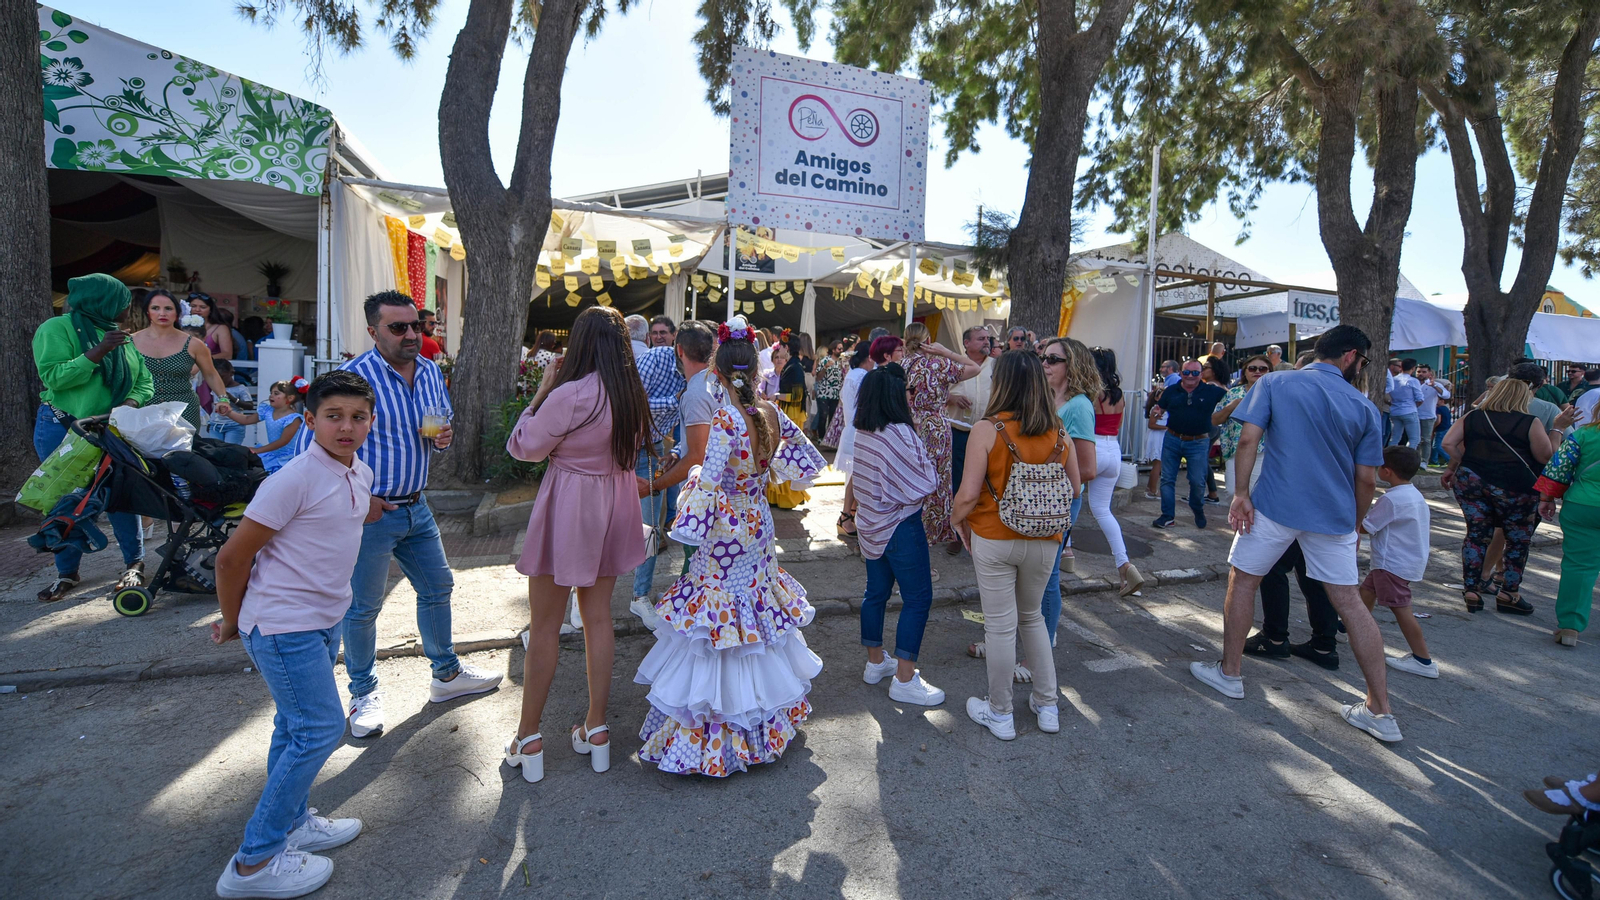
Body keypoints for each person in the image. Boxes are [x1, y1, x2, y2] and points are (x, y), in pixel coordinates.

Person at [1190, 324, 1402, 744]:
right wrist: (1356, 523)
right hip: (1334, 515)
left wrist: (1240, 494)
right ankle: (1381, 710)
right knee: (1349, 603)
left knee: (1244, 579)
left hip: (1274, 504)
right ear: (1350, 356)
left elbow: (1248, 438)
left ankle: (1230, 673)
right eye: (1363, 360)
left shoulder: (1274, 381)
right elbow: (1366, 480)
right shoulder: (1364, 406)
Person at [635, 317, 828, 776]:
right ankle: (761, 721)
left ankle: (718, 732)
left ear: (717, 372)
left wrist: (687, 500)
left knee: (717, 625)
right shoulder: (771, 412)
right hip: (759, 524)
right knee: (754, 619)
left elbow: (710, 480)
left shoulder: (725, 417)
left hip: (726, 531)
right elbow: (800, 465)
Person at [209, 371, 375, 900]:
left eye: (357, 417)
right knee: (321, 729)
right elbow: (232, 557)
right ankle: (254, 862)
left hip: (324, 620)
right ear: (309, 421)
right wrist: (233, 620)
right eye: (333, 416)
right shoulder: (292, 479)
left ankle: (294, 821)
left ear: (370, 422)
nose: (346, 426)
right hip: (284, 624)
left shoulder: (358, 472)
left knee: (293, 726)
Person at [322, 290, 502, 739]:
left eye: (416, 326)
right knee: (363, 608)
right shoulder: (354, 378)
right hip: (371, 511)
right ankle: (362, 692)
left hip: (417, 505)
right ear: (373, 331)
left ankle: (446, 675)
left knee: (438, 586)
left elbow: (436, 424)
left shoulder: (428, 371)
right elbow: (327, 446)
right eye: (397, 327)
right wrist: (359, 499)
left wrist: (441, 438)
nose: (410, 335)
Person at [503, 306, 652, 783]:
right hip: (615, 504)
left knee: (545, 625)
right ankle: (597, 726)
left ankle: (528, 735)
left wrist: (542, 391)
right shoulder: (630, 394)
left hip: (570, 504)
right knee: (599, 617)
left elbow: (524, 447)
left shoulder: (570, 394)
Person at [951, 350, 1073, 740]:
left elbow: (969, 494)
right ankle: (1047, 705)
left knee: (1001, 628)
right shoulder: (1058, 430)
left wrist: (956, 522)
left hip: (994, 535)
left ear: (1000, 383)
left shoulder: (989, 429)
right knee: (1033, 618)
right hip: (1045, 540)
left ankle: (1000, 712)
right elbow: (1076, 486)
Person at [32, 273, 154, 603]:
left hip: (109, 430)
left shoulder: (120, 337)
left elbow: (144, 382)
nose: (129, 310)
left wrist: (129, 405)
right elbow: (53, 376)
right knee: (65, 499)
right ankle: (66, 572)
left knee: (121, 496)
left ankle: (134, 563)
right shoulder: (56, 330)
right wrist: (97, 352)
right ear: (103, 302)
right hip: (64, 427)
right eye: (123, 304)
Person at [846, 364, 945, 705]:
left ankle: (876, 662)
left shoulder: (863, 430)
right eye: (907, 390)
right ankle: (904, 678)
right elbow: (927, 481)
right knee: (918, 599)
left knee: (876, 593)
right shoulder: (901, 432)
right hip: (901, 525)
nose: (910, 395)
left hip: (871, 525)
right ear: (893, 395)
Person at [1440, 376, 1555, 615]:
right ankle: (1509, 593)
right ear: (1524, 397)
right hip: (1515, 487)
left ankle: (1471, 589)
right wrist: (1558, 430)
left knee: (1476, 534)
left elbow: (1448, 444)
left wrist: (1467, 461)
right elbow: (1544, 457)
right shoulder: (1529, 422)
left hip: (1472, 482)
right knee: (1517, 539)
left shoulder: (1472, 417)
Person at [638, 322, 718, 583]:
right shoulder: (714, 383)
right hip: (714, 492)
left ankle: (656, 601)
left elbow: (697, 455)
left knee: (692, 561)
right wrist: (677, 449)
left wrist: (654, 485)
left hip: (700, 493)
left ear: (679, 348)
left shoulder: (695, 391)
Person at [1034, 337, 1098, 650]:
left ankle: (1043, 645)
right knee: (1035, 573)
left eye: (1053, 359)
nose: (1044, 363)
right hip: (1038, 498)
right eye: (1043, 357)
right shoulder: (1047, 399)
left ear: (1071, 365)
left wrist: (1040, 478)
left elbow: (1087, 469)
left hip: (1059, 501)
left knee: (1047, 577)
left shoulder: (1079, 407)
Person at [900, 323, 983, 548]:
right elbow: (975, 367)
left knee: (912, 479)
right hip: (936, 427)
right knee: (935, 481)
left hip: (908, 427)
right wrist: (946, 352)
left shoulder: (901, 365)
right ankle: (928, 534)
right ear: (928, 341)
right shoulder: (938, 363)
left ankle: (908, 530)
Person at [1358, 446, 1437, 678]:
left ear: (1387, 471)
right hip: (1405, 560)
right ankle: (1348, 626)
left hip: (1391, 562)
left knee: (1401, 609)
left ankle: (1423, 659)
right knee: (1367, 591)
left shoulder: (1391, 499)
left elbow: (1366, 527)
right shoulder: (1414, 495)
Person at [627, 321, 687, 623]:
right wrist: (674, 401)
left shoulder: (698, 376)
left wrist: (675, 450)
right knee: (601, 524)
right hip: (618, 451)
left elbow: (691, 417)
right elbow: (629, 400)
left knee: (650, 529)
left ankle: (640, 596)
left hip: (651, 450)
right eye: (657, 333)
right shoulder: (655, 359)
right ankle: (579, 595)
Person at [1535, 405, 1600, 646]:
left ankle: (1570, 626)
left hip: (1583, 505)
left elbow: (1560, 467)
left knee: (1579, 567)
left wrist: (1547, 498)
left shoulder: (1584, 435)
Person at [1085, 347, 1145, 596]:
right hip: (1113, 450)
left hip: (1092, 448)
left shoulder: (1091, 392)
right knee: (1102, 511)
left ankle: (1063, 553)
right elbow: (1117, 425)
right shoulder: (1120, 395)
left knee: (1067, 503)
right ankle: (1124, 565)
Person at [130, 289, 232, 431]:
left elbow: (210, 373)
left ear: (177, 313)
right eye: (155, 308)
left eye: (168, 308)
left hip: (183, 410)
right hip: (143, 409)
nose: (162, 313)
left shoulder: (194, 344)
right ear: (147, 312)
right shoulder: (130, 342)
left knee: (183, 452)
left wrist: (223, 398)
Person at [1150, 359, 1227, 529]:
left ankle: (1197, 508)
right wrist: (1157, 411)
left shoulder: (1211, 391)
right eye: (1186, 372)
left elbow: (1232, 397)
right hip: (1172, 438)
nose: (1190, 376)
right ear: (1181, 374)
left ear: (1201, 374)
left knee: (1197, 481)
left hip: (1198, 441)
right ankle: (1167, 516)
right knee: (1167, 479)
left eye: (1195, 373)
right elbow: (1160, 407)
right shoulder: (1171, 391)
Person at [945, 326, 996, 553]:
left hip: (989, 434)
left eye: (988, 338)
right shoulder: (953, 365)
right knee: (959, 482)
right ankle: (959, 532)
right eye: (981, 339)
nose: (987, 342)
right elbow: (935, 393)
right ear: (966, 343)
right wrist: (952, 398)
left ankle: (983, 531)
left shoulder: (996, 366)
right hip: (960, 432)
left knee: (987, 482)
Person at [832, 340, 882, 535]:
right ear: (869, 358)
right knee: (857, 475)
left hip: (853, 429)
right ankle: (846, 514)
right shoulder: (862, 376)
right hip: (859, 430)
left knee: (855, 474)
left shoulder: (853, 375)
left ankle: (849, 514)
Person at [1216, 354, 1271, 498]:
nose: (1257, 371)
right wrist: (1231, 407)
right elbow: (1214, 420)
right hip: (1235, 450)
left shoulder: (1274, 394)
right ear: (1245, 372)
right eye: (1252, 368)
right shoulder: (1233, 393)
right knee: (1231, 491)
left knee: (1255, 492)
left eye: (1263, 369)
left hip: (1263, 451)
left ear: (1269, 372)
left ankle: (1250, 521)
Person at [225, 380, 307, 473]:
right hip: (272, 454)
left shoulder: (293, 419)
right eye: (271, 393)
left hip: (288, 458)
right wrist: (228, 412)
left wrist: (258, 450)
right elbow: (246, 419)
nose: (271, 396)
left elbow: (282, 441)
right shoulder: (267, 411)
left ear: (290, 398)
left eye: (276, 393)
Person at [767, 339, 812, 509]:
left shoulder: (795, 367)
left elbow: (797, 396)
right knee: (784, 457)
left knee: (786, 457)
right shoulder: (793, 366)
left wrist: (777, 396)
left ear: (787, 348)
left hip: (792, 416)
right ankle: (781, 495)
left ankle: (788, 496)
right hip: (788, 415)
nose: (779, 352)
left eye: (781, 348)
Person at [1200, 358, 1231, 502]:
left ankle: (1209, 492)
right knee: (1202, 459)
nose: (1202, 370)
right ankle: (1211, 492)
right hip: (1216, 427)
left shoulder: (1211, 387)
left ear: (1214, 371)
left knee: (1199, 459)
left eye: (1206, 367)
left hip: (1208, 425)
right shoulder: (1224, 387)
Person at [206, 359, 254, 444]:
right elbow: (214, 406)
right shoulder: (215, 387)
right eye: (217, 377)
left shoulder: (241, 388)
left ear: (231, 373)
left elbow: (250, 406)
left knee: (230, 452)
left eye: (222, 377)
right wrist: (210, 421)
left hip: (234, 425)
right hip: (215, 425)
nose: (220, 381)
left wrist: (232, 399)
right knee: (215, 452)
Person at [1384, 358, 1428, 448]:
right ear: (1413, 368)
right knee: (1414, 439)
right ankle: (1409, 459)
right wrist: (1414, 406)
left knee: (1394, 438)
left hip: (1395, 410)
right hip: (1409, 410)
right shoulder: (1413, 381)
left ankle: (1389, 457)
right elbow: (1420, 398)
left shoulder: (1393, 379)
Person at [1416, 363, 1450, 466]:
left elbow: (1446, 395)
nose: (1421, 374)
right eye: (1419, 371)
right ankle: (1414, 460)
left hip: (1428, 416)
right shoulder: (1412, 382)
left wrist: (1434, 385)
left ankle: (1424, 462)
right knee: (1414, 439)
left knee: (1425, 440)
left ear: (1429, 373)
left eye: (1424, 372)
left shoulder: (1434, 384)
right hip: (1413, 415)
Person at [812, 339, 845, 441]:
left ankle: (829, 439)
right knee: (823, 414)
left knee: (832, 417)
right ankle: (821, 437)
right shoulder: (825, 360)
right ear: (833, 349)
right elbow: (818, 377)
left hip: (836, 393)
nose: (841, 351)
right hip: (823, 392)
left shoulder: (842, 362)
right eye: (839, 348)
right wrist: (825, 367)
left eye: (842, 349)